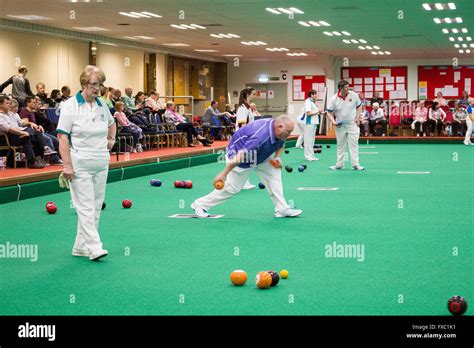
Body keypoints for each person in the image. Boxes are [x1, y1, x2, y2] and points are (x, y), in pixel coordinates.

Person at [57, 65, 116, 261]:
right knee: (85, 206)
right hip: (80, 162)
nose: (97, 88)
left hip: (101, 161)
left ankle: (80, 246)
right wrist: (67, 165)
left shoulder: (101, 104)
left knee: (96, 205)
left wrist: (111, 139)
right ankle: (94, 247)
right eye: (93, 84)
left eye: (100, 84)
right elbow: (62, 137)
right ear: (84, 84)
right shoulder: (70, 105)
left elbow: (112, 123)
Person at [190, 116, 302, 218]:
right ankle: (200, 204)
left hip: (261, 155)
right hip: (240, 156)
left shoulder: (280, 131)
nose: (290, 134)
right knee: (232, 189)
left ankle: (282, 208)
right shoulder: (260, 137)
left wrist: (277, 158)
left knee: (274, 174)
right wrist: (223, 174)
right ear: (279, 127)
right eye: (289, 131)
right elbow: (240, 156)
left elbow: (281, 143)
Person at [326, 80, 364, 170]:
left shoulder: (353, 95)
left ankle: (355, 165)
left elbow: (359, 106)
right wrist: (333, 122)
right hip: (340, 126)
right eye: (346, 87)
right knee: (340, 145)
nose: (348, 89)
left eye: (348, 87)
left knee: (354, 144)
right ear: (340, 89)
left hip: (352, 124)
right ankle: (339, 165)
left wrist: (357, 118)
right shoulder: (334, 99)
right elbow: (329, 113)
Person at [0, 96, 47, 168]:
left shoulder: (11, 113)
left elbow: (21, 123)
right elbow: (9, 129)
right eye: (7, 103)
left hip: (19, 134)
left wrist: (30, 123)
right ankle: (35, 158)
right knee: (29, 135)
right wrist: (22, 132)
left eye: (9, 103)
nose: (9, 105)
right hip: (8, 137)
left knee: (34, 133)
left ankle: (37, 159)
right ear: (1, 104)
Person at [235, 87, 257, 189]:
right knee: (243, 159)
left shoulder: (247, 107)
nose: (255, 95)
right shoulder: (242, 108)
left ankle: (244, 182)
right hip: (242, 137)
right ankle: (242, 183)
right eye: (253, 94)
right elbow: (242, 125)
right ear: (247, 95)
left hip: (247, 136)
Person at [299, 89, 319, 161]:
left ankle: (312, 155)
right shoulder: (307, 102)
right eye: (316, 94)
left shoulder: (312, 102)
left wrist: (319, 112)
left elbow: (314, 112)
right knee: (308, 140)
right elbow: (308, 113)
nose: (317, 96)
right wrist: (317, 111)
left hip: (314, 123)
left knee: (312, 140)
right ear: (312, 95)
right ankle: (307, 156)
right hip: (309, 123)